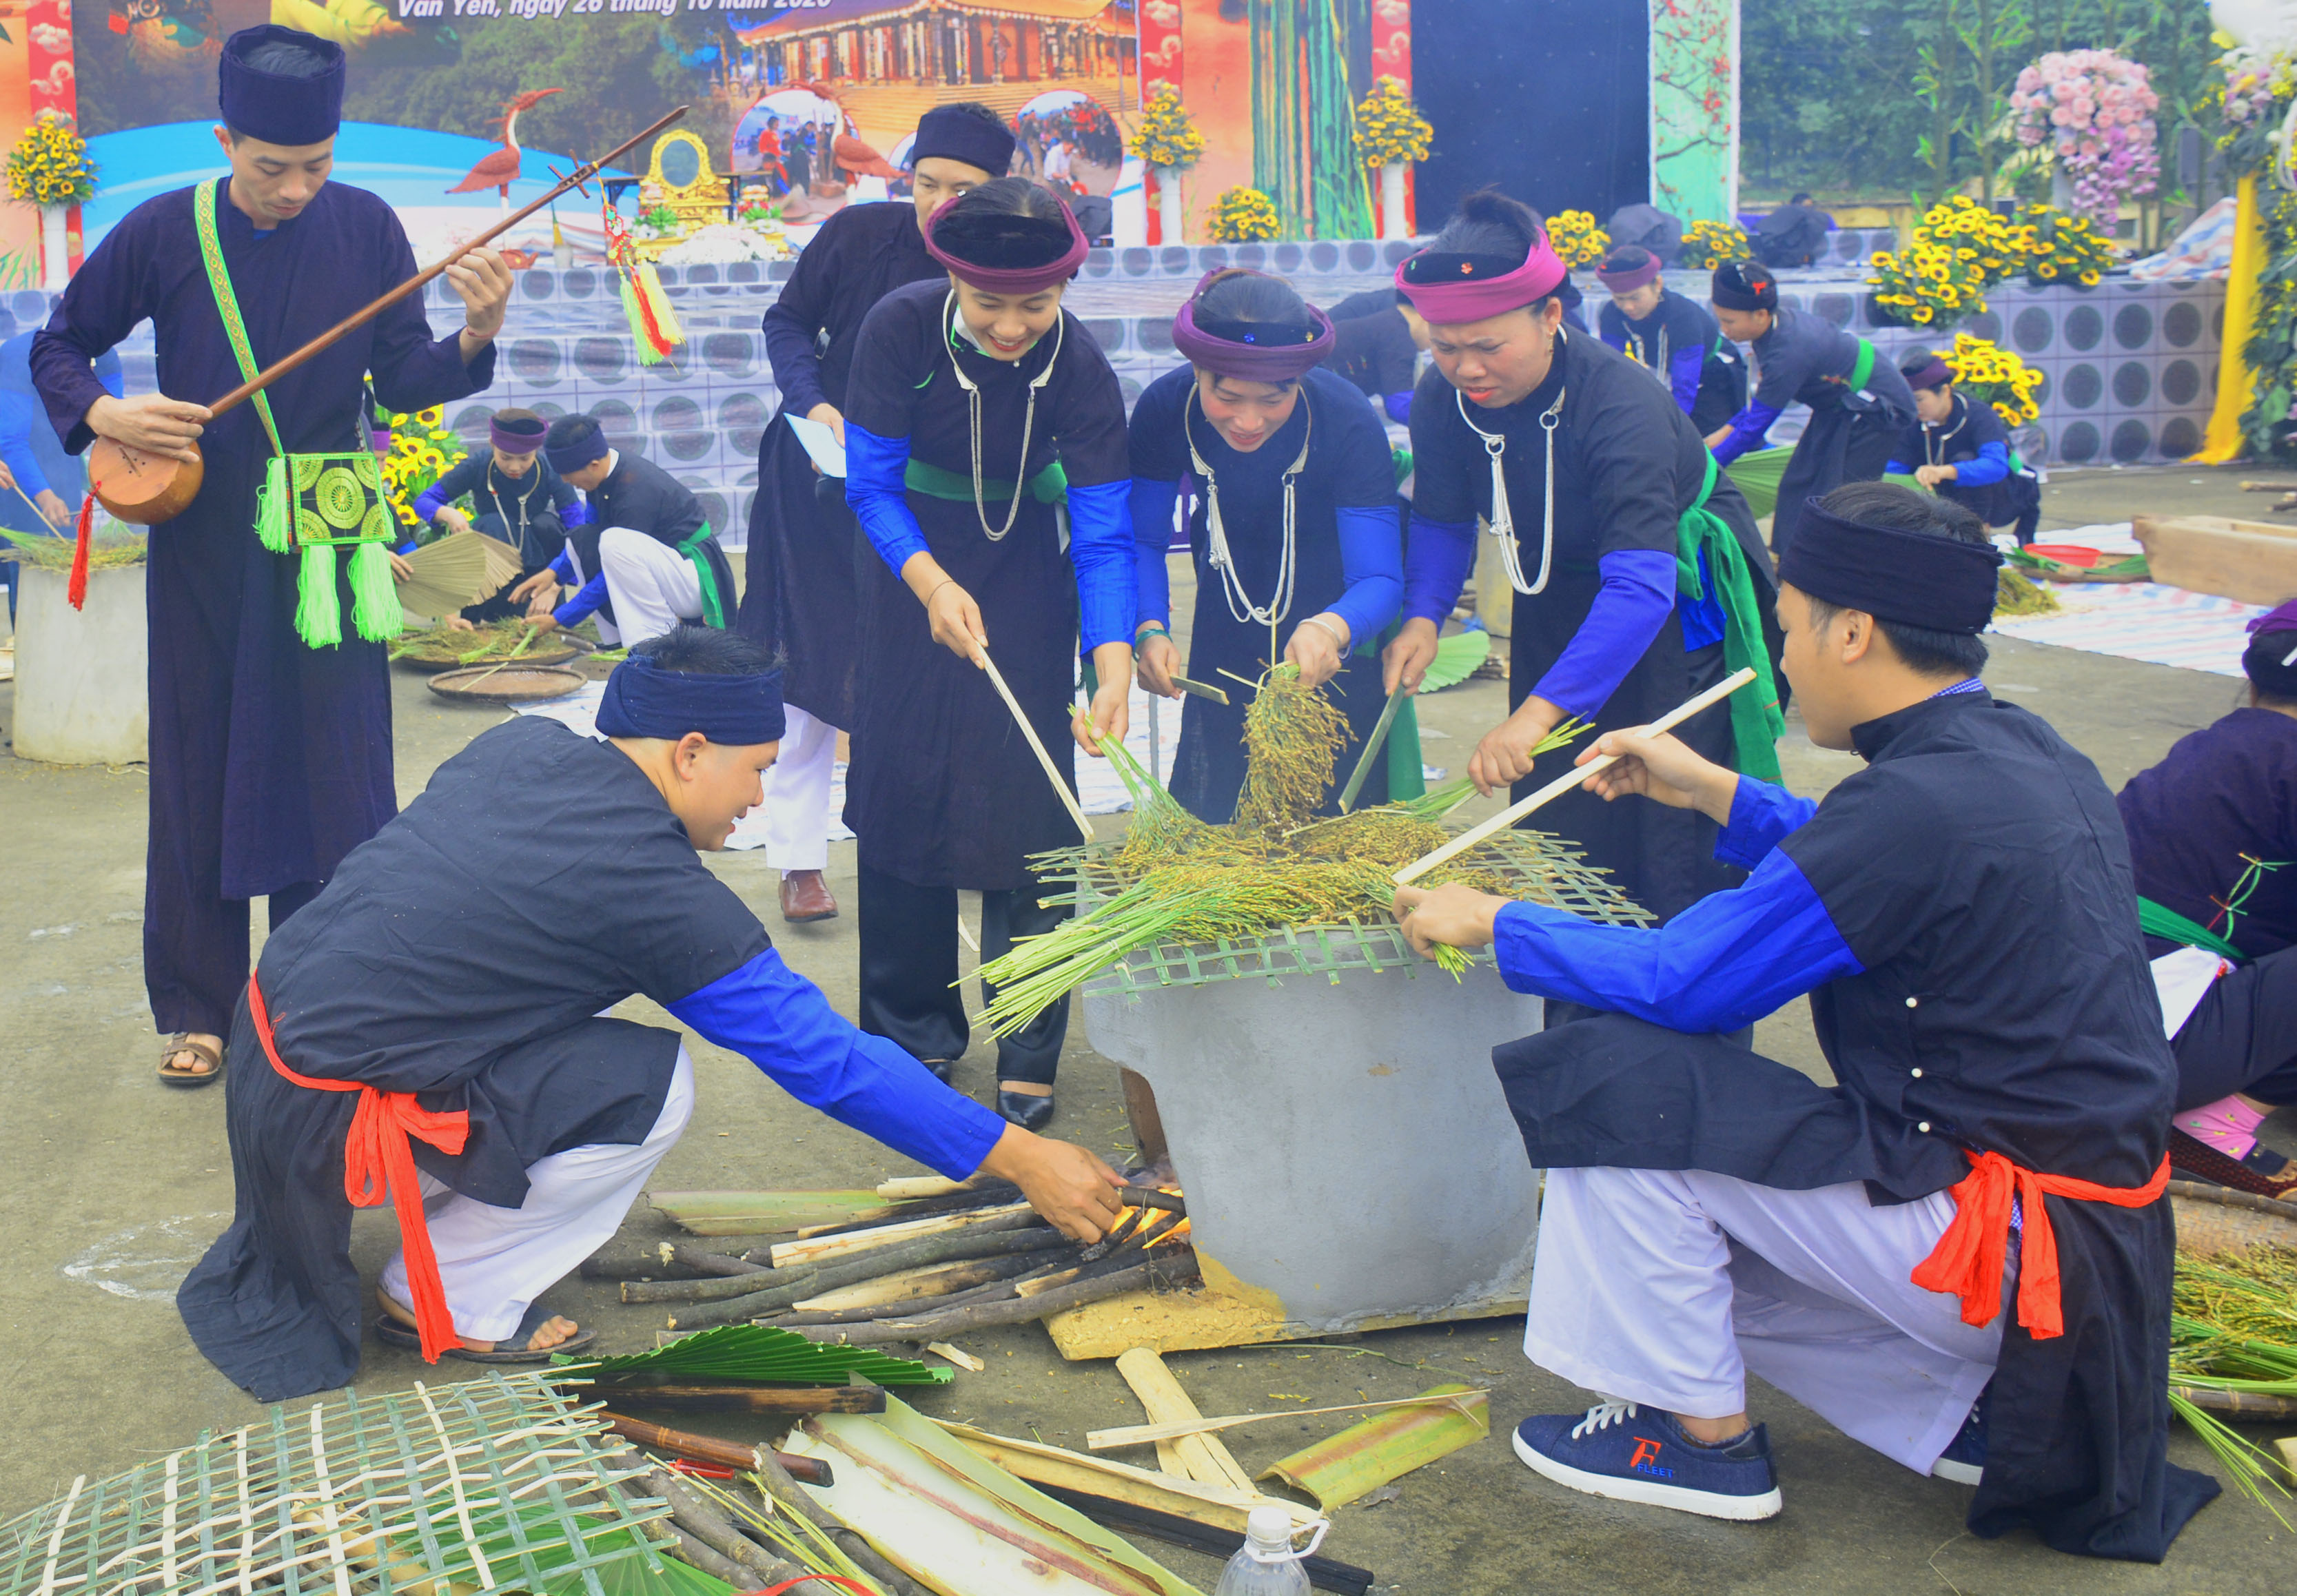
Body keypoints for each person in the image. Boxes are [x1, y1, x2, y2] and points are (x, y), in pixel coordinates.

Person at [1391, 482, 2216, 1559]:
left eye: (1785, 631)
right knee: (1701, 1192)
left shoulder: (1909, 806)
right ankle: (1974, 1416)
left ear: (1854, 632)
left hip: (2003, 1250)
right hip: (2085, 1245)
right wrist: (1711, 791)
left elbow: (1687, 981)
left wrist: (1493, 919)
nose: (1780, 662)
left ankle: (1697, 1441)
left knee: (1612, 1077)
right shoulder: (2020, 750)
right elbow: (1860, 852)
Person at [176, 626, 1130, 1404]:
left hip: (270, 1079)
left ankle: (430, 1207)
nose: (757, 802)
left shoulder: (520, 748)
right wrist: (1017, 1155)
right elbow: (823, 1058)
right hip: (331, 1126)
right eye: (755, 770)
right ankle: (450, 1300)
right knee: (651, 1087)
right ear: (688, 753)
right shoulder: (655, 891)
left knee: (541, 1031)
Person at [30, 23, 509, 1088]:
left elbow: (405, 376)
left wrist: (474, 340)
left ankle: (316, 999)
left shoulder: (368, 226)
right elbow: (58, 345)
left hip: (331, 539)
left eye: (317, 166)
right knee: (200, 761)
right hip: (204, 537)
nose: (297, 190)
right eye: (272, 168)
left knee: (333, 771)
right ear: (225, 139)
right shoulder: (163, 229)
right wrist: (108, 408)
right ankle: (198, 1007)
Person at [1384, 190, 1784, 931]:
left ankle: (1675, 1004)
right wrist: (1423, 618)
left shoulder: (1619, 401)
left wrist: (1531, 720)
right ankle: (1571, 987)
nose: (1465, 367)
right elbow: (1441, 520)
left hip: (1674, 608)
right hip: (1558, 595)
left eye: (1488, 346)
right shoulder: (1445, 398)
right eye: (1445, 345)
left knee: (1662, 819)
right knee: (1557, 811)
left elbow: (1640, 588)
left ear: (1550, 317)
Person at [841, 177, 1134, 1131]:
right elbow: (871, 485)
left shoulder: (1081, 369)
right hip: (906, 572)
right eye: (989, 304)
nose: (1012, 326)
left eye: (1035, 305)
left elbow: (1099, 533)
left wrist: (1113, 655)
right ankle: (913, 1033)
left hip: (1023, 581)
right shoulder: (898, 330)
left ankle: (1029, 1041)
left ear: (1064, 294)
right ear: (952, 282)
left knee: (1033, 815)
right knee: (902, 792)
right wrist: (926, 582)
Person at [741, 102, 1014, 926]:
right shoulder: (860, 235)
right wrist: (815, 402)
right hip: (816, 477)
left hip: (929, 489)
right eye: (927, 183)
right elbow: (787, 322)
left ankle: (942, 837)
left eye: (962, 189)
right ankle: (798, 858)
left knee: (927, 660)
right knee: (810, 660)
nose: (939, 203)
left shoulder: (1009, 264)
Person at [1130, 269, 1402, 820]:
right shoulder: (1166, 407)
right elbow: (1141, 538)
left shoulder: (1345, 417)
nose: (1248, 421)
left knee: (1332, 823)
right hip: (1223, 606)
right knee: (1221, 805)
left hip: (1334, 621)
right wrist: (1148, 627)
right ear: (1196, 371)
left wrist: (1332, 627)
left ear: (1301, 377)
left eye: (1273, 399)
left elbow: (1380, 579)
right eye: (1225, 396)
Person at [2117, 602, 2297, 1198]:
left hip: (2071, 1003)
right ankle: (2220, 1119)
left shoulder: (2209, 746)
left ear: (2250, 684)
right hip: (2146, 1041)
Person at [1706, 259, 1917, 559]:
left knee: (1839, 497)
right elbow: (1760, 404)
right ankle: (1790, 561)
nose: (1724, 331)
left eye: (1729, 322)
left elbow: (1756, 426)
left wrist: (1710, 467)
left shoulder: (1787, 353)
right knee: (1799, 482)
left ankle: (1837, 568)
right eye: (1720, 321)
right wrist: (1719, 435)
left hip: (1876, 409)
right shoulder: (1770, 332)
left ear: (1762, 314)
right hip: (1838, 405)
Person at [509, 415, 736, 647]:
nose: (567, 482)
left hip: (691, 578)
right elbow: (588, 537)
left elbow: (611, 574)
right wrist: (553, 574)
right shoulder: (601, 477)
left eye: (569, 476)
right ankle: (615, 642)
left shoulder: (635, 493)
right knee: (583, 538)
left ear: (593, 465)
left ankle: (656, 644)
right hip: (664, 570)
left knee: (613, 542)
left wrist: (559, 618)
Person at [411, 407, 586, 625]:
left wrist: (554, 585)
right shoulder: (478, 465)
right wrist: (448, 514)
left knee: (547, 524)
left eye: (525, 458)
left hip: (540, 574)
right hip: (493, 568)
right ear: (492, 444)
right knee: (491, 523)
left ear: (536, 451)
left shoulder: (548, 468)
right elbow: (424, 502)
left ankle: (544, 604)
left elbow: (579, 527)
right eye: (505, 457)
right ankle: (474, 619)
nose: (515, 467)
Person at [1886, 351, 2042, 547]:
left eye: (1919, 400)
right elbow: (1896, 470)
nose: (1915, 408)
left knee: (1964, 458)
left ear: (1944, 391)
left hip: (2002, 498)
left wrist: (1945, 471)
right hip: (1947, 501)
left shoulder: (1978, 415)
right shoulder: (1912, 422)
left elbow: (1996, 466)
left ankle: (1978, 537)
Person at [1593, 245, 1745, 435]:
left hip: (1712, 374)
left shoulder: (1682, 316)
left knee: (1703, 438)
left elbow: (1685, 385)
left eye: (1635, 298)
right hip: (1661, 373)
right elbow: (1610, 368)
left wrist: (1668, 430)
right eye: (1619, 299)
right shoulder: (1612, 314)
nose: (1628, 307)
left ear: (1657, 285)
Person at [1320, 287, 1428, 423]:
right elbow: (1398, 407)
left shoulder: (1389, 322)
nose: (1434, 345)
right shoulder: (1398, 337)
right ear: (1428, 317)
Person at [1750, 192, 1834, 269]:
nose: (1809, 209)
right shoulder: (1797, 214)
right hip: (1784, 256)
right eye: (1807, 206)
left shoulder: (1810, 218)